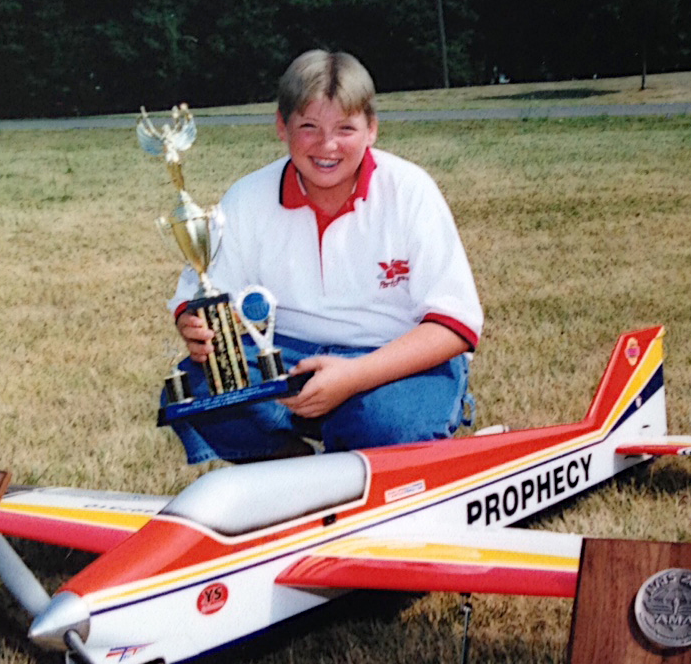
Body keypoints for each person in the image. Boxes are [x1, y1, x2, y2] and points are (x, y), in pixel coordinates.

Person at [166, 49, 482, 463]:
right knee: (200, 389)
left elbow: (455, 325)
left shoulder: (409, 191)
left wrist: (352, 376)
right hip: (289, 355)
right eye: (309, 127)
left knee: (384, 423)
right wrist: (196, 326)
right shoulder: (248, 196)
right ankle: (289, 462)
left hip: (391, 359)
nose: (327, 145)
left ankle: (383, 427)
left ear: (372, 129)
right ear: (282, 126)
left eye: (345, 128)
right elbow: (203, 297)